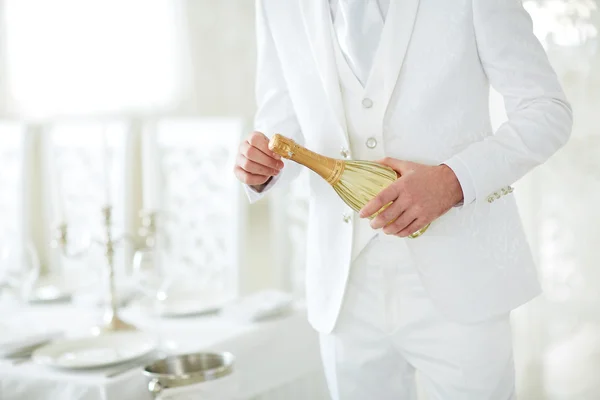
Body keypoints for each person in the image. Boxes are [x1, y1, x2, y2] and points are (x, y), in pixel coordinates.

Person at [234, 0, 572, 398]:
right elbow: (282, 126)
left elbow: (546, 110)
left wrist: (453, 181)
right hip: (345, 290)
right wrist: (260, 166)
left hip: (461, 280)